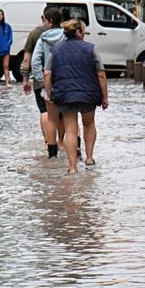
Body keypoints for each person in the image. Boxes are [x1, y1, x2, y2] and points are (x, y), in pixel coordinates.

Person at [44, 19, 108, 174]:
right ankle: (90, 159)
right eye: (84, 31)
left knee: (70, 130)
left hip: (65, 94)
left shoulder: (56, 50)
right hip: (88, 94)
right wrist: (105, 97)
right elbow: (101, 75)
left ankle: (72, 167)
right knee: (89, 124)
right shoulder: (91, 49)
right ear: (79, 32)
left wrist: (49, 93)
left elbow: (47, 73)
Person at [31, 6, 66, 159]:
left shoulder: (43, 38)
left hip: (49, 81)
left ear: (50, 21)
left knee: (51, 118)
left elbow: (34, 61)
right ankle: (67, 145)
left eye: (45, 19)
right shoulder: (67, 36)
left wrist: (41, 78)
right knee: (67, 117)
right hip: (66, 81)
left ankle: (52, 154)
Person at [21, 15, 51, 150]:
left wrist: (26, 80)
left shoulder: (34, 33)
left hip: (40, 80)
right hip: (61, 79)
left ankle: (48, 143)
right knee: (63, 115)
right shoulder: (63, 32)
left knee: (44, 111)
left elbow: (27, 60)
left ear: (42, 17)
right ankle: (62, 142)